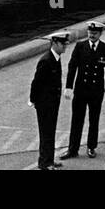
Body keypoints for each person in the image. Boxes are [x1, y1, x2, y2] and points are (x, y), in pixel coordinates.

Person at [63, 21, 105, 159]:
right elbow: (72, 66)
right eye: (90, 33)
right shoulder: (80, 46)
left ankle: (91, 147)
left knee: (94, 119)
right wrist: (69, 86)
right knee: (76, 120)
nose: (92, 35)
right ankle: (72, 149)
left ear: (100, 34)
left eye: (95, 33)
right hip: (81, 89)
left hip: (96, 90)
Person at [29, 31, 68, 170]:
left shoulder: (56, 57)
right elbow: (36, 82)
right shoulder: (46, 60)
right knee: (46, 133)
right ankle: (44, 163)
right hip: (45, 103)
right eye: (63, 43)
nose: (65, 46)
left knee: (50, 132)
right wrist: (33, 100)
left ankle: (49, 160)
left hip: (52, 102)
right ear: (54, 43)